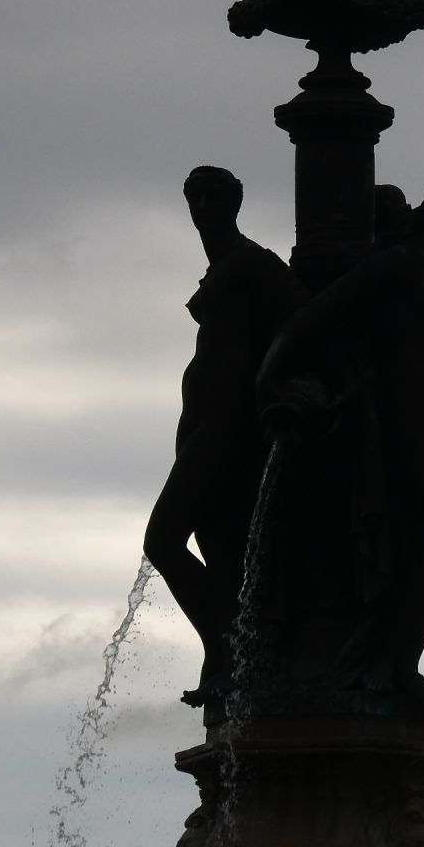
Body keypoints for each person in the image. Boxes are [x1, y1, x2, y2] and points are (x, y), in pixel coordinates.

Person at [257, 174, 424, 697]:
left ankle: (398, 662)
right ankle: (384, 656)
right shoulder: (395, 266)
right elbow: (317, 315)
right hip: (414, 420)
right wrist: (271, 371)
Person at [143, 166, 307, 707]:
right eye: (195, 196)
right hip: (202, 422)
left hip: (228, 426)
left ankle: (230, 636)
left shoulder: (253, 261)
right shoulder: (224, 264)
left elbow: (303, 318)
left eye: (215, 195)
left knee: (162, 540)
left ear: (236, 203)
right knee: (222, 551)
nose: (204, 205)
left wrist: (276, 387)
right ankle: (226, 653)